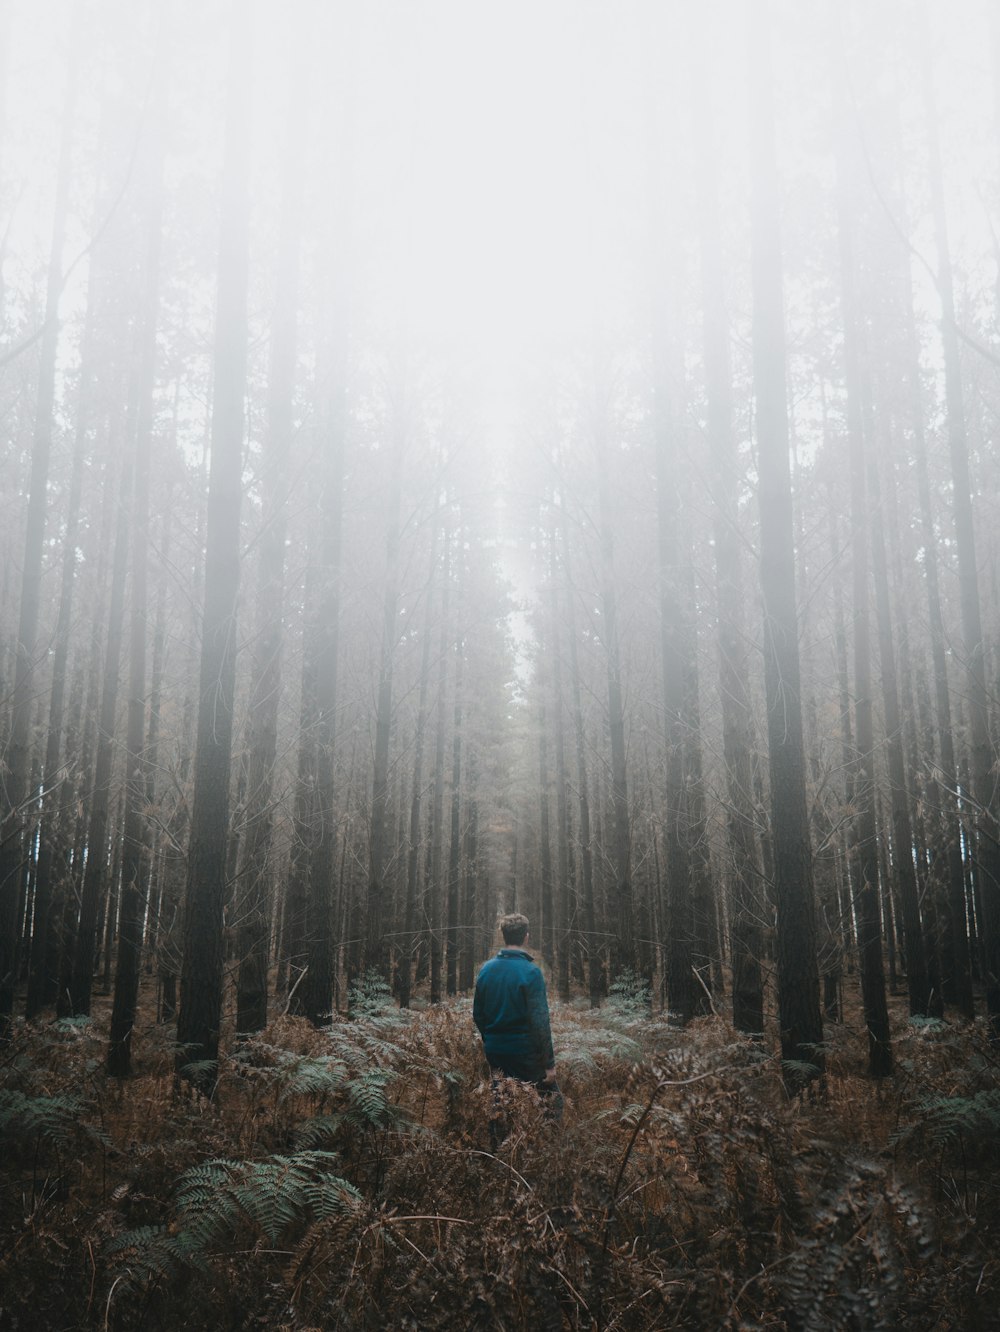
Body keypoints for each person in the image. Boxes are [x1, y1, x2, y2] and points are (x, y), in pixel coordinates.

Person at [473, 912, 562, 1130]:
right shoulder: (531, 972)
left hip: (495, 1050)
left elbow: (478, 1014)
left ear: (503, 936)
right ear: (526, 937)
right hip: (524, 1053)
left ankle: (497, 1153)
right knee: (553, 1102)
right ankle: (544, 1148)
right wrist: (549, 1065)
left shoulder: (486, 970)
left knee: (500, 1099)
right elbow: (540, 1022)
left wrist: (491, 1039)